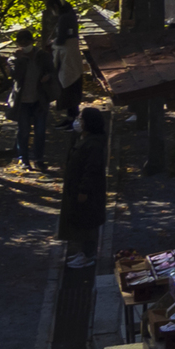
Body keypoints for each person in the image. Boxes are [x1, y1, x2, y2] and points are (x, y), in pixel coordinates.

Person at [59, 106, 108, 268]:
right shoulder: (85, 139)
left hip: (87, 192)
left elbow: (91, 169)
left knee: (87, 222)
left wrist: (83, 190)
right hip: (78, 187)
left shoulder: (93, 144)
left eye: (81, 119)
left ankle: (88, 255)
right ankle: (84, 252)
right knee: (81, 220)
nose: (77, 122)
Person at [11, 37, 56, 169]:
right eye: (21, 44)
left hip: (39, 99)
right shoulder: (14, 58)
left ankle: (38, 159)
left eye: (27, 43)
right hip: (23, 101)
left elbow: (52, 70)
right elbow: (15, 76)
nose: (25, 46)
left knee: (40, 131)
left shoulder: (43, 56)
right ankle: (23, 159)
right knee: (23, 131)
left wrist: (48, 76)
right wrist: (19, 60)